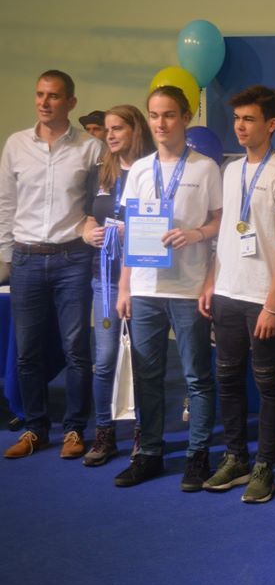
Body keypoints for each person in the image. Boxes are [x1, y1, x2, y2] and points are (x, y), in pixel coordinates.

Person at [113, 85, 222, 491]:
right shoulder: (140, 169)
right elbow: (130, 231)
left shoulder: (205, 168)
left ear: (185, 118)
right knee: (147, 375)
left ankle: (198, 455)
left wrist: (196, 234)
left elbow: (220, 223)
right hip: (145, 288)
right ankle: (149, 453)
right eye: (155, 115)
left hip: (189, 287)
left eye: (170, 115)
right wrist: (124, 287)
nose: (161, 123)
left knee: (196, 376)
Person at [198, 85, 275, 503]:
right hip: (227, 291)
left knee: (268, 383)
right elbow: (226, 233)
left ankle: (264, 466)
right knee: (227, 378)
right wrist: (211, 281)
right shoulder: (230, 170)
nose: (240, 127)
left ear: (271, 124)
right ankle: (236, 457)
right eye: (237, 119)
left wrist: (273, 304)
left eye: (249, 119)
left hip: (264, 299)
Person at [0, 70, 103, 459]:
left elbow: (101, 200)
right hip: (25, 257)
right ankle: (35, 429)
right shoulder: (16, 145)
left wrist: (91, 227)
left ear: (71, 103)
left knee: (76, 348)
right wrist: (6, 256)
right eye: (40, 94)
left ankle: (75, 429)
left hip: (71, 259)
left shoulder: (90, 148)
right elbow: (6, 204)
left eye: (54, 96)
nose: (44, 102)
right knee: (27, 351)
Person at [81, 105, 154, 466]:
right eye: (107, 129)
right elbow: (86, 216)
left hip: (144, 281)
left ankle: (144, 432)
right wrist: (88, 233)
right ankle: (104, 433)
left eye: (117, 128)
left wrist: (135, 232)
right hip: (105, 279)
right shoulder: (101, 172)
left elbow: (162, 220)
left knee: (142, 360)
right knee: (105, 359)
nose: (109, 135)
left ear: (135, 130)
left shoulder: (152, 171)